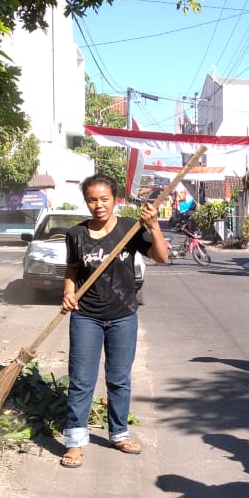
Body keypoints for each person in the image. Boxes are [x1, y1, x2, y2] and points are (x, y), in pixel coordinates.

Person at [59, 174, 169, 468]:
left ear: (115, 199)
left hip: (123, 315)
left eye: (104, 199)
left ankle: (119, 433)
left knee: (119, 380)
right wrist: (69, 292)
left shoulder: (129, 228)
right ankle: (75, 442)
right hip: (86, 317)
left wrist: (154, 225)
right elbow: (71, 269)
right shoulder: (76, 234)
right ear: (86, 202)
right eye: (92, 199)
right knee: (82, 381)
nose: (98, 205)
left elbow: (162, 257)